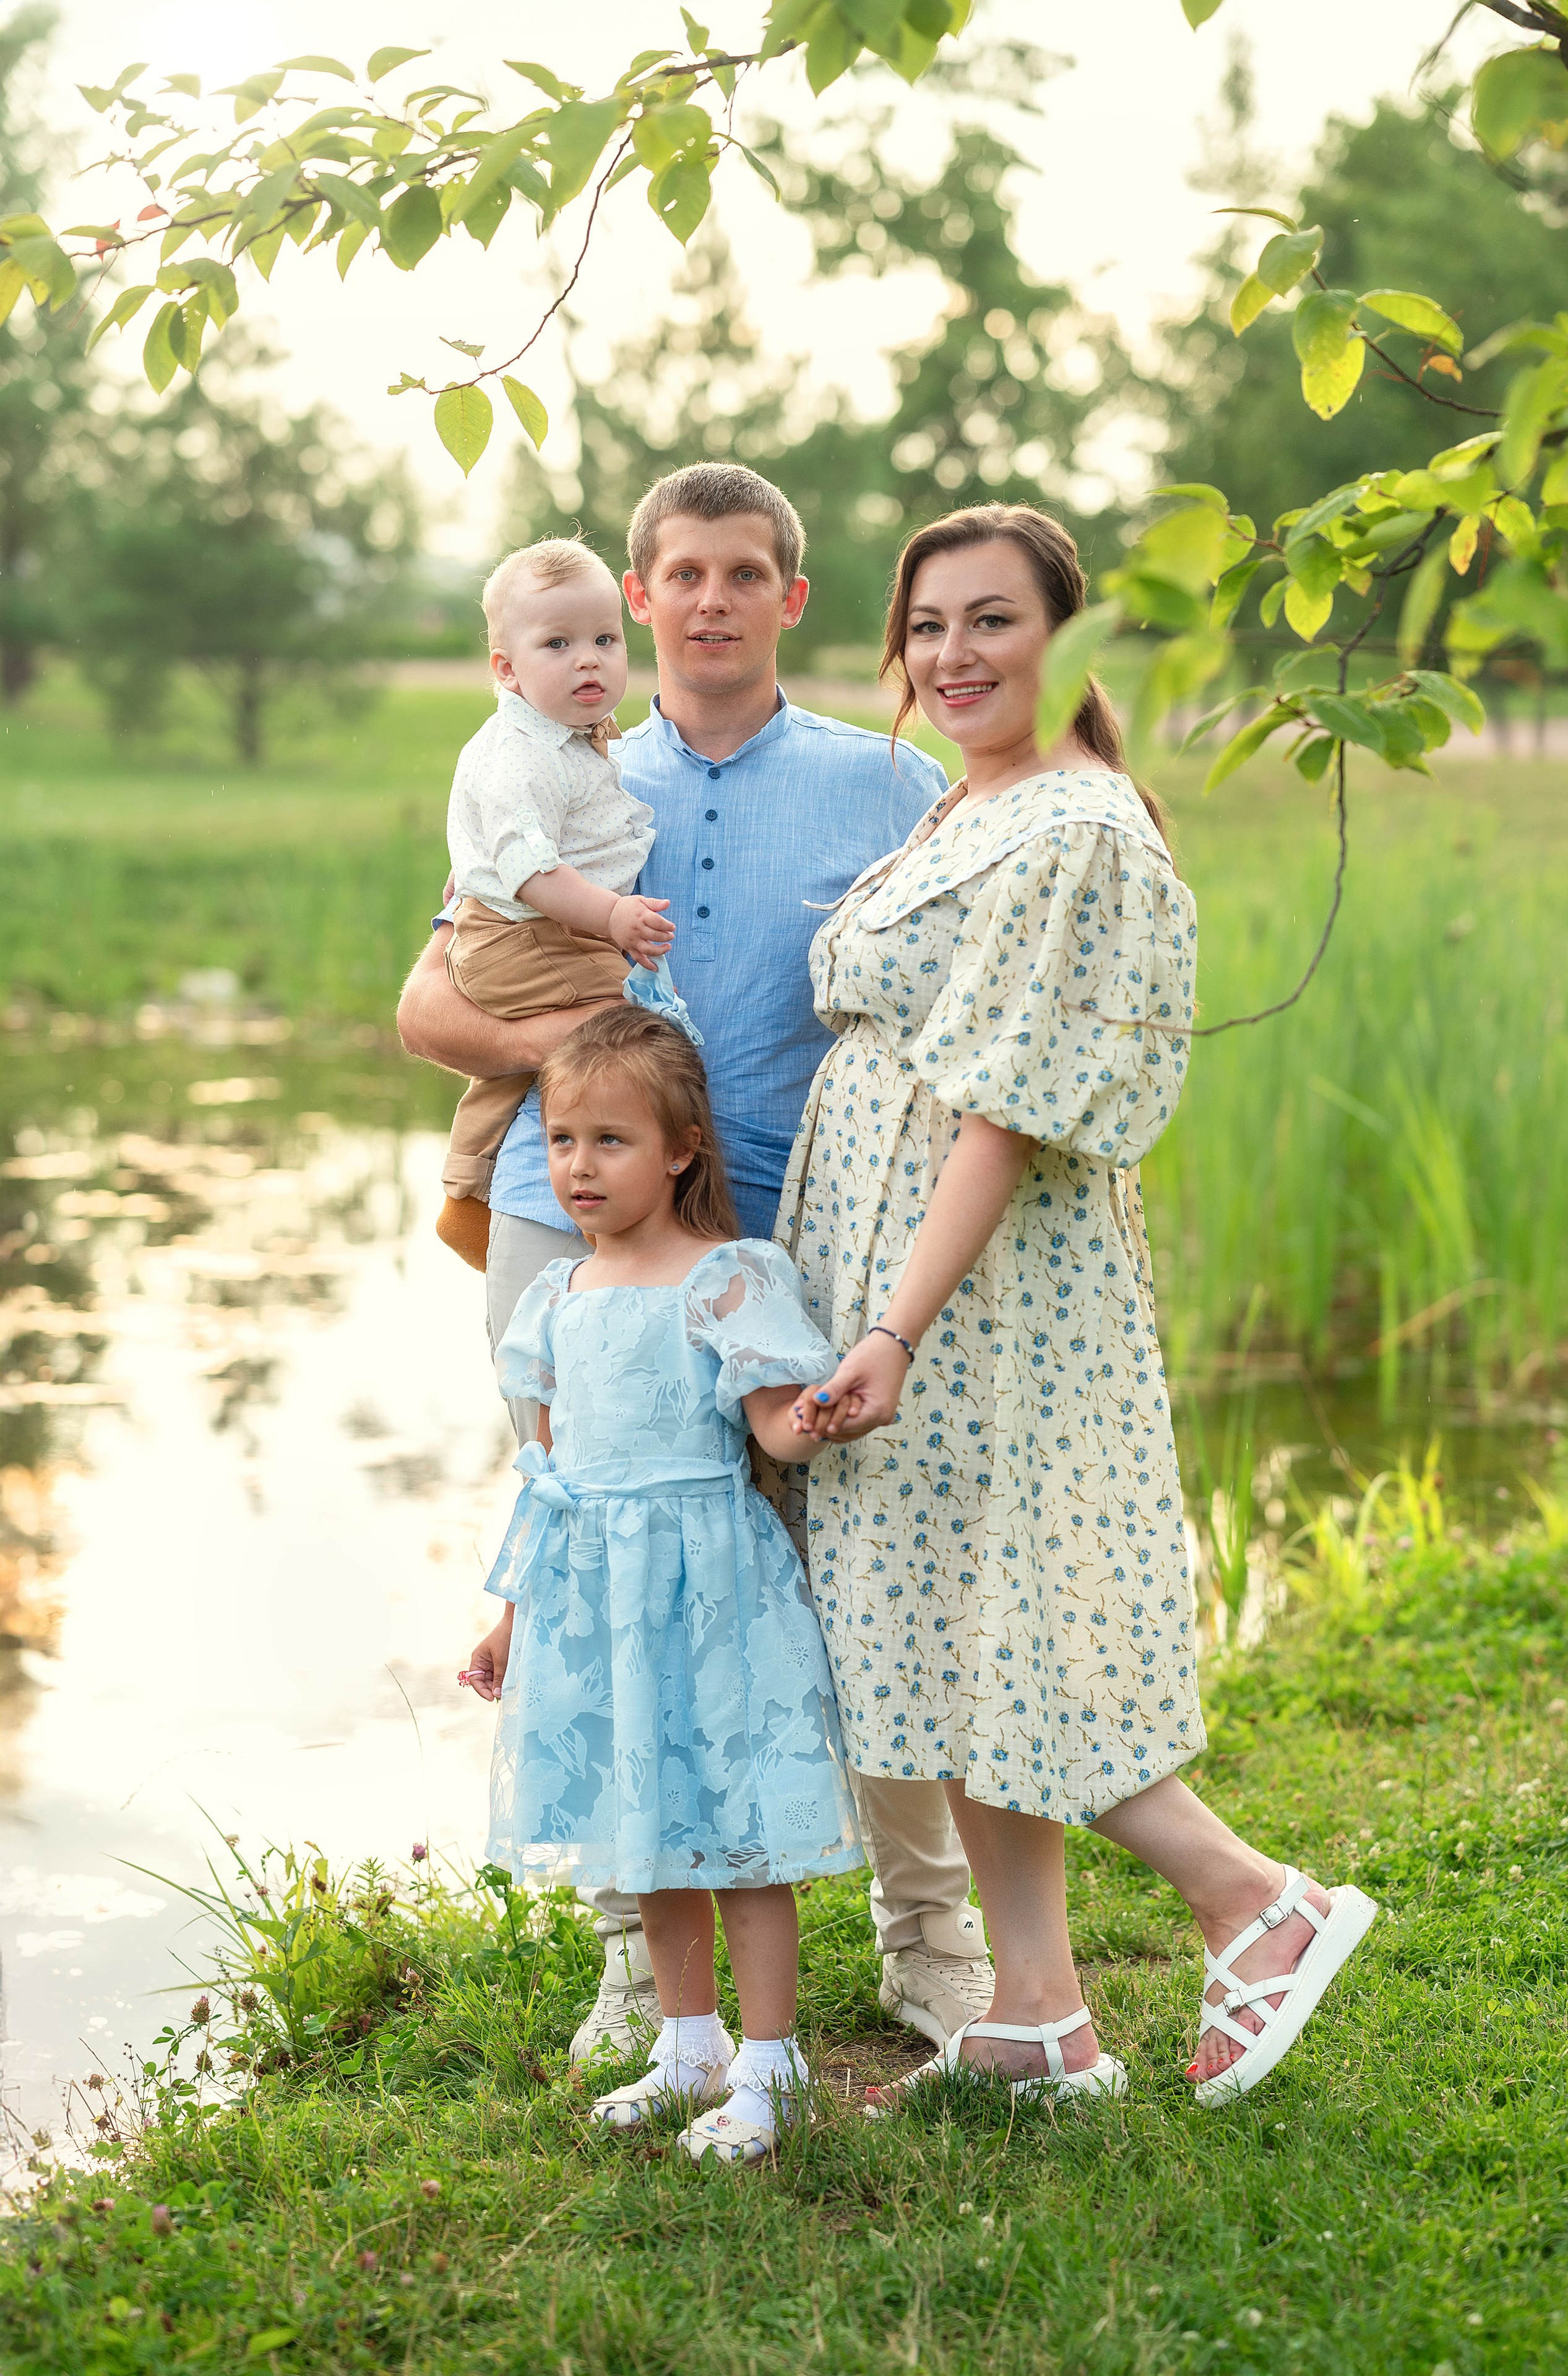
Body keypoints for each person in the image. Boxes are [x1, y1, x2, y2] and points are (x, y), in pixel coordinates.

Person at [398, 463, 997, 2066]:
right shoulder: (562, 767)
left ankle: (927, 1932)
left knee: (852, 1579)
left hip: (798, 1225)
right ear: (641, 600)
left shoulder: (888, 780)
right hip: (571, 1212)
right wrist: (585, 1072)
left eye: (748, 574)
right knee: (595, 1565)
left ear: (791, 601)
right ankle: (634, 1953)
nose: (713, 601)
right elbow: (427, 1008)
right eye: (686, 576)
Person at [783, 502, 1377, 2111]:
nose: (953, 654)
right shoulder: (972, 810)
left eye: (993, 620)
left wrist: (894, 1329)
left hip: (990, 1299)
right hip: (913, 1280)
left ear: (1068, 637)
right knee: (967, 1639)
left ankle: (1254, 1900)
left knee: (1028, 1633)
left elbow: (1005, 1113)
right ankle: (1039, 2019)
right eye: (927, 626)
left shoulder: (1082, 826)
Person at [459, 991, 859, 2166]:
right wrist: (510, 1617)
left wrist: (817, 1415)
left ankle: (775, 2069)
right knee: (651, 1830)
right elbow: (547, 1473)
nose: (580, 1167)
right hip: (595, 1591)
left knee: (733, 1827)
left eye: (611, 1140)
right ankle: (690, 2046)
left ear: (681, 1150)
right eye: (561, 1140)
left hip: (706, 1586)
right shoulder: (552, 1299)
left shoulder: (726, 1277)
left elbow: (774, 1432)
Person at [434, 538, 671, 1269]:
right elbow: (535, 873)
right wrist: (611, 917)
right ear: (506, 669)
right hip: (528, 931)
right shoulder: (522, 753)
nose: (589, 660)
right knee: (630, 1027)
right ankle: (613, 1208)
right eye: (558, 644)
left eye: (605, 639)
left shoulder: (567, 738)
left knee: (513, 1065)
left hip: (526, 929)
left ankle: (464, 1193)